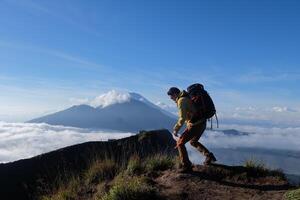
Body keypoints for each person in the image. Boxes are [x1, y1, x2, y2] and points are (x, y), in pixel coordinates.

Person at [167, 87, 216, 172]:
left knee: (180, 143)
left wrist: (176, 129)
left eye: (170, 96)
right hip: (202, 122)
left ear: (175, 94)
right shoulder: (186, 97)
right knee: (193, 142)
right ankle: (209, 156)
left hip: (196, 124)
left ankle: (186, 166)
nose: (170, 98)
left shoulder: (181, 101)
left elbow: (182, 118)